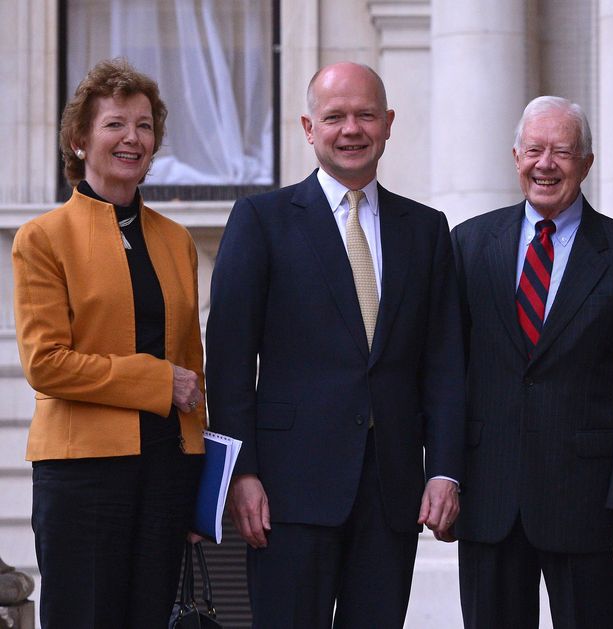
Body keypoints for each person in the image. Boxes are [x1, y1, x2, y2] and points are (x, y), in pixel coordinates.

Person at [205, 62, 465, 628]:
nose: (351, 129)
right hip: (285, 492)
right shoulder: (260, 221)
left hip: (392, 493)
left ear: (389, 123)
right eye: (335, 117)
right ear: (308, 127)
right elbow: (226, 362)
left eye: (365, 115)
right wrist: (240, 473)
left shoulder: (425, 230)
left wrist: (445, 469)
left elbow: (444, 365)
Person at [451, 96, 613, 629]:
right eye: (534, 150)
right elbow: (446, 374)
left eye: (562, 151)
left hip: (590, 505)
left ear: (587, 162)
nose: (545, 164)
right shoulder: (467, 244)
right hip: (489, 499)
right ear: (515, 156)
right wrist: (443, 476)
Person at [11, 58, 207, 628]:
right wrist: (156, 380)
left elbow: (193, 371)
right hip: (82, 475)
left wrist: (200, 481)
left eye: (145, 126)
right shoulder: (42, 238)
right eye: (116, 124)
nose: (133, 138)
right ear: (79, 140)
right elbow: (46, 364)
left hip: (166, 473)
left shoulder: (176, 241)